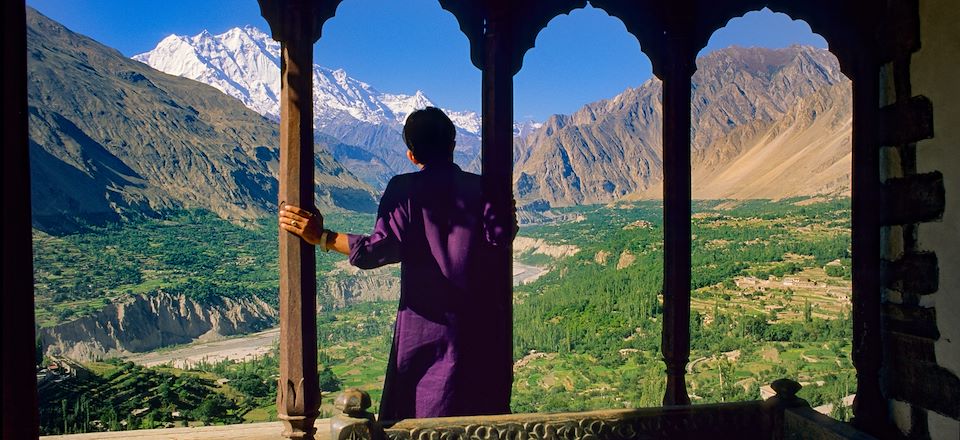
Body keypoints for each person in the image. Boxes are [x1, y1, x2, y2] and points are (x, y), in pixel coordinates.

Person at [279, 107, 516, 423]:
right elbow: (502, 234)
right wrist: (505, 206)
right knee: (481, 413)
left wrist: (321, 236)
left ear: (412, 154)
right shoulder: (485, 187)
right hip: (481, 327)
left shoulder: (404, 190)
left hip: (425, 331)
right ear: (453, 144)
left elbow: (379, 249)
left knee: (421, 413)